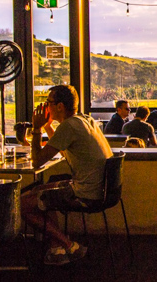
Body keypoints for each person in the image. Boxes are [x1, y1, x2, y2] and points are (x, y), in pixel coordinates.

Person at [21, 85, 113, 265]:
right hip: (102, 190)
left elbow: (37, 161)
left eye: (49, 102)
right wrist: (48, 127)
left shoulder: (69, 126)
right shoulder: (84, 120)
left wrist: (37, 128)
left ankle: (69, 245)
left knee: (22, 205)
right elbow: (64, 152)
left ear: (60, 106)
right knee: (43, 189)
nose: (46, 106)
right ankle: (57, 247)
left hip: (86, 194)